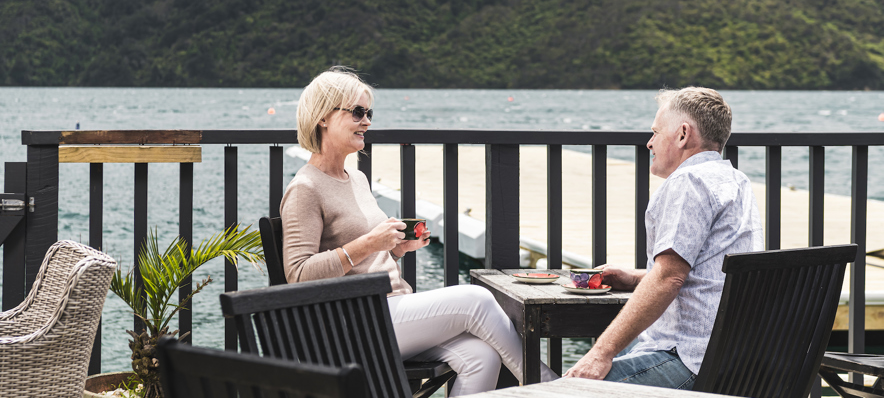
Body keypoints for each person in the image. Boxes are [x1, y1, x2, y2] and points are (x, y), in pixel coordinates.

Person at [280, 66, 558, 396]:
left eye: (369, 112)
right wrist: (370, 242)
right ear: (323, 118)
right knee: (476, 299)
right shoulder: (306, 189)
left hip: (389, 311)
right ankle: (554, 387)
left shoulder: (356, 178)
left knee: (481, 356)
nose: (367, 121)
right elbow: (297, 276)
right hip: (352, 326)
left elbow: (363, 255)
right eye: (357, 112)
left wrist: (396, 248)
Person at [565, 87, 763, 389]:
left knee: (569, 387)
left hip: (690, 361)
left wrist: (599, 354)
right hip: (734, 362)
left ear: (683, 134)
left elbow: (669, 277)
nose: (649, 142)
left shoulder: (689, 181)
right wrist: (635, 279)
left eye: (656, 132)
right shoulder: (736, 181)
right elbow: (708, 273)